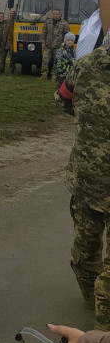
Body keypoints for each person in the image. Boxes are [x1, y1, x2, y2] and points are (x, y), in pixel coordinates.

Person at [58, 28, 110, 327]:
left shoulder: (84, 66)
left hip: (88, 175)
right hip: (91, 178)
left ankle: (91, 297)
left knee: (85, 246)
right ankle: (104, 330)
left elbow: (63, 99)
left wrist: (86, 117)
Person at [42, 8, 70, 79]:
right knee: (45, 59)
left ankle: (54, 75)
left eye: (57, 14)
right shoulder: (48, 22)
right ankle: (44, 74)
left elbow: (67, 35)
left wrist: (64, 44)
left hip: (58, 46)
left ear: (60, 15)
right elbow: (43, 32)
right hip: (48, 45)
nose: (55, 15)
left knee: (56, 61)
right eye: (54, 14)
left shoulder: (64, 24)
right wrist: (43, 42)